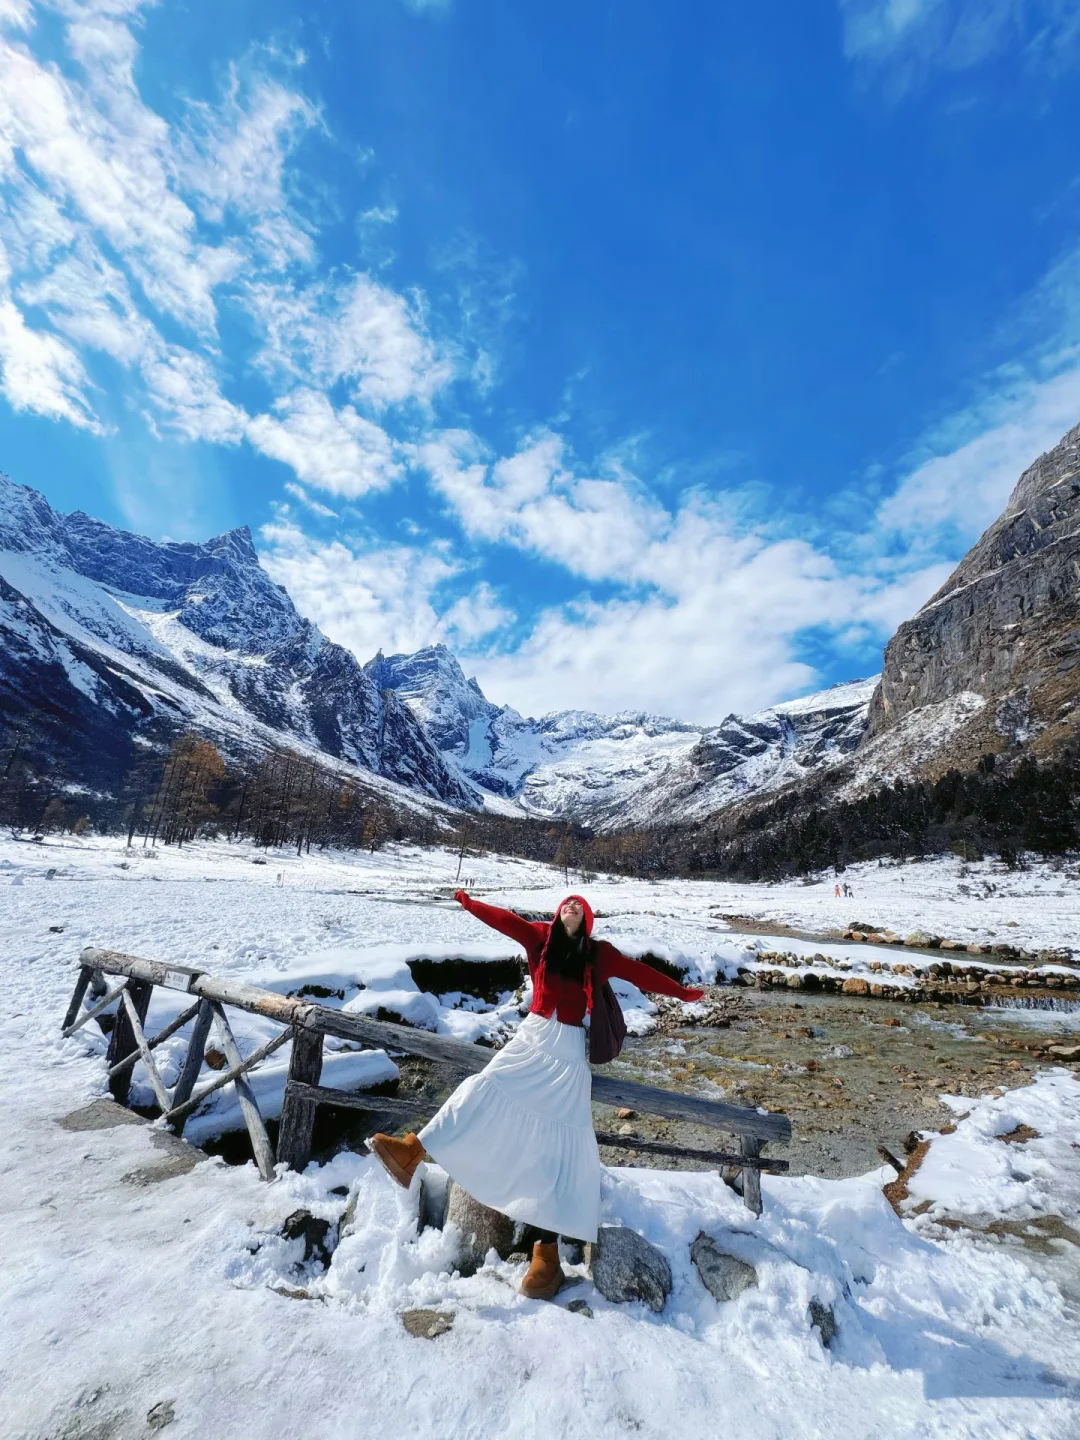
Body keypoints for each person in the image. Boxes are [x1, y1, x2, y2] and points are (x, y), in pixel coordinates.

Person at [368, 890, 705, 1300]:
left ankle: (547, 1256)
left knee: (556, 1152)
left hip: (568, 1054)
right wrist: (470, 903)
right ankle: (412, 1151)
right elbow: (506, 921)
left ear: (587, 920)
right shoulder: (540, 938)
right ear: (558, 912)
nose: (572, 906)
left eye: (580, 905)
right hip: (530, 1039)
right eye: (567, 903)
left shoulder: (598, 954)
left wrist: (683, 994)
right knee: (481, 1091)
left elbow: (639, 973)